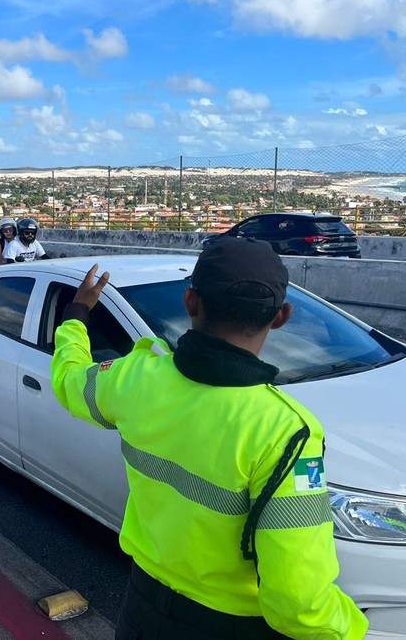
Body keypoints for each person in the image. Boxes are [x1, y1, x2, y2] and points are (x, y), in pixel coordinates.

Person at [50, 237, 368, 640]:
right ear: (281, 316)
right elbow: (298, 601)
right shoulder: (284, 431)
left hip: (141, 609)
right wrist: (352, 630)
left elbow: (68, 381)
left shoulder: (135, 377)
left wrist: (77, 313)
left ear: (191, 301)